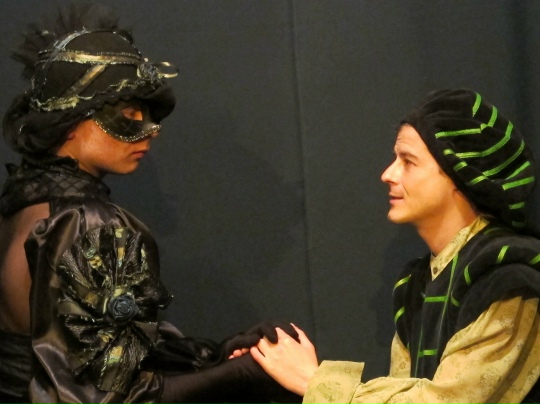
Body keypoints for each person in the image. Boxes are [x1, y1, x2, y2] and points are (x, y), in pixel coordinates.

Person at [0, 3, 302, 403]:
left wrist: (214, 356)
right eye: (128, 113)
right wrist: (241, 374)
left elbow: (84, 354)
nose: (150, 130)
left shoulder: (24, 208)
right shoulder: (87, 223)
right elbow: (113, 396)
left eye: (148, 113)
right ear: (70, 121)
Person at [250, 88, 540, 403]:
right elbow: (404, 390)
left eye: (408, 161)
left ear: (460, 174)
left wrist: (314, 382)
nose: (388, 174)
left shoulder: (507, 279)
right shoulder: (418, 284)